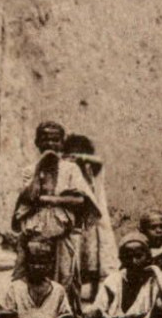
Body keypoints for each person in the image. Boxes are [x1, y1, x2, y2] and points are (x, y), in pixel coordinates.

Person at [11, 120, 98, 305]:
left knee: (63, 282)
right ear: (37, 142)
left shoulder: (71, 169)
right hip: (34, 237)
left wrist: (50, 199)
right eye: (45, 139)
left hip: (61, 236)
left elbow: (81, 199)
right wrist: (40, 166)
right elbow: (29, 197)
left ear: (61, 143)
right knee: (26, 279)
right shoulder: (29, 170)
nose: (50, 144)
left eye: (55, 140)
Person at [64, 134, 118, 289]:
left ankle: (96, 293)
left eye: (80, 152)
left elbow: (99, 162)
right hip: (75, 221)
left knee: (95, 256)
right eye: (71, 153)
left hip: (93, 223)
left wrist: (82, 158)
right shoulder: (67, 171)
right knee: (76, 257)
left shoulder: (92, 169)